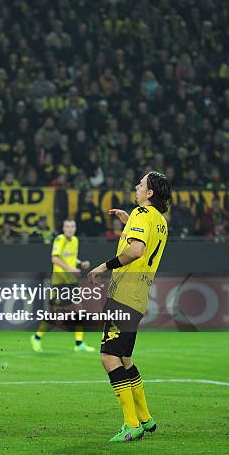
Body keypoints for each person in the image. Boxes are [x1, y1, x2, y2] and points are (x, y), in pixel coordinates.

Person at [87, 171, 171, 442]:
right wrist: (128, 223)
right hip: (139, 296)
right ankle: (145, 419)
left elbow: (136, 251)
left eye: (141, 185)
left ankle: (131, 423)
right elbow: (143, 245)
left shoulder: (142, 214)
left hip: (123, 294)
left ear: (149, 194)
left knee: (109, 358)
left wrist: (104, 265)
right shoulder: (160, 221)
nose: (136, 187)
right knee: (124, 358)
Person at [30, 219, 93, 353]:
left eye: (72, 226)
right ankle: (36, 337)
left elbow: (69, 258)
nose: (70, 229)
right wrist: (70, 269)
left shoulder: (75, 240)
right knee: (55, 313)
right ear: (63, 229)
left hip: (70, 280)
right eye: (67, 227)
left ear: (75, 228)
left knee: (79, 310)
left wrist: (80, 263)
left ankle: (79, 343)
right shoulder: (60, 239)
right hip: (59, 279)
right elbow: (55, 259)